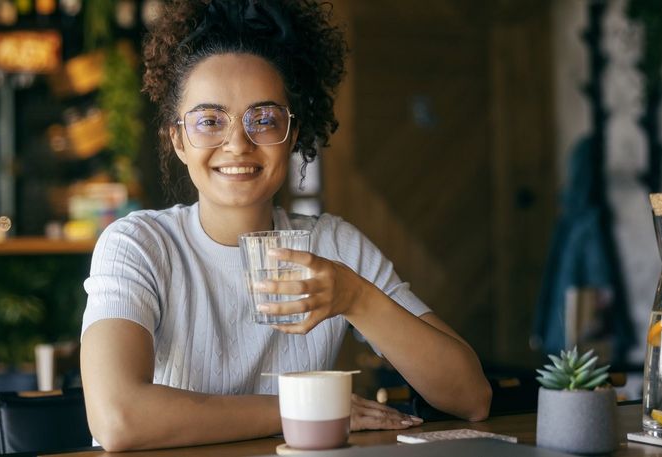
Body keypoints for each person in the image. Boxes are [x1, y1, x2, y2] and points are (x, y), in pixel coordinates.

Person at [80, 0, 492, 451]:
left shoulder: (333, 244)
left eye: (263, 119)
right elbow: (117, 419)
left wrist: (355, 297)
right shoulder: (138, 246)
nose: (237, 143)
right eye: (210, 121)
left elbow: (470, 398)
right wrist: (304, 407)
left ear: (292, 136)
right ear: (178, 139)